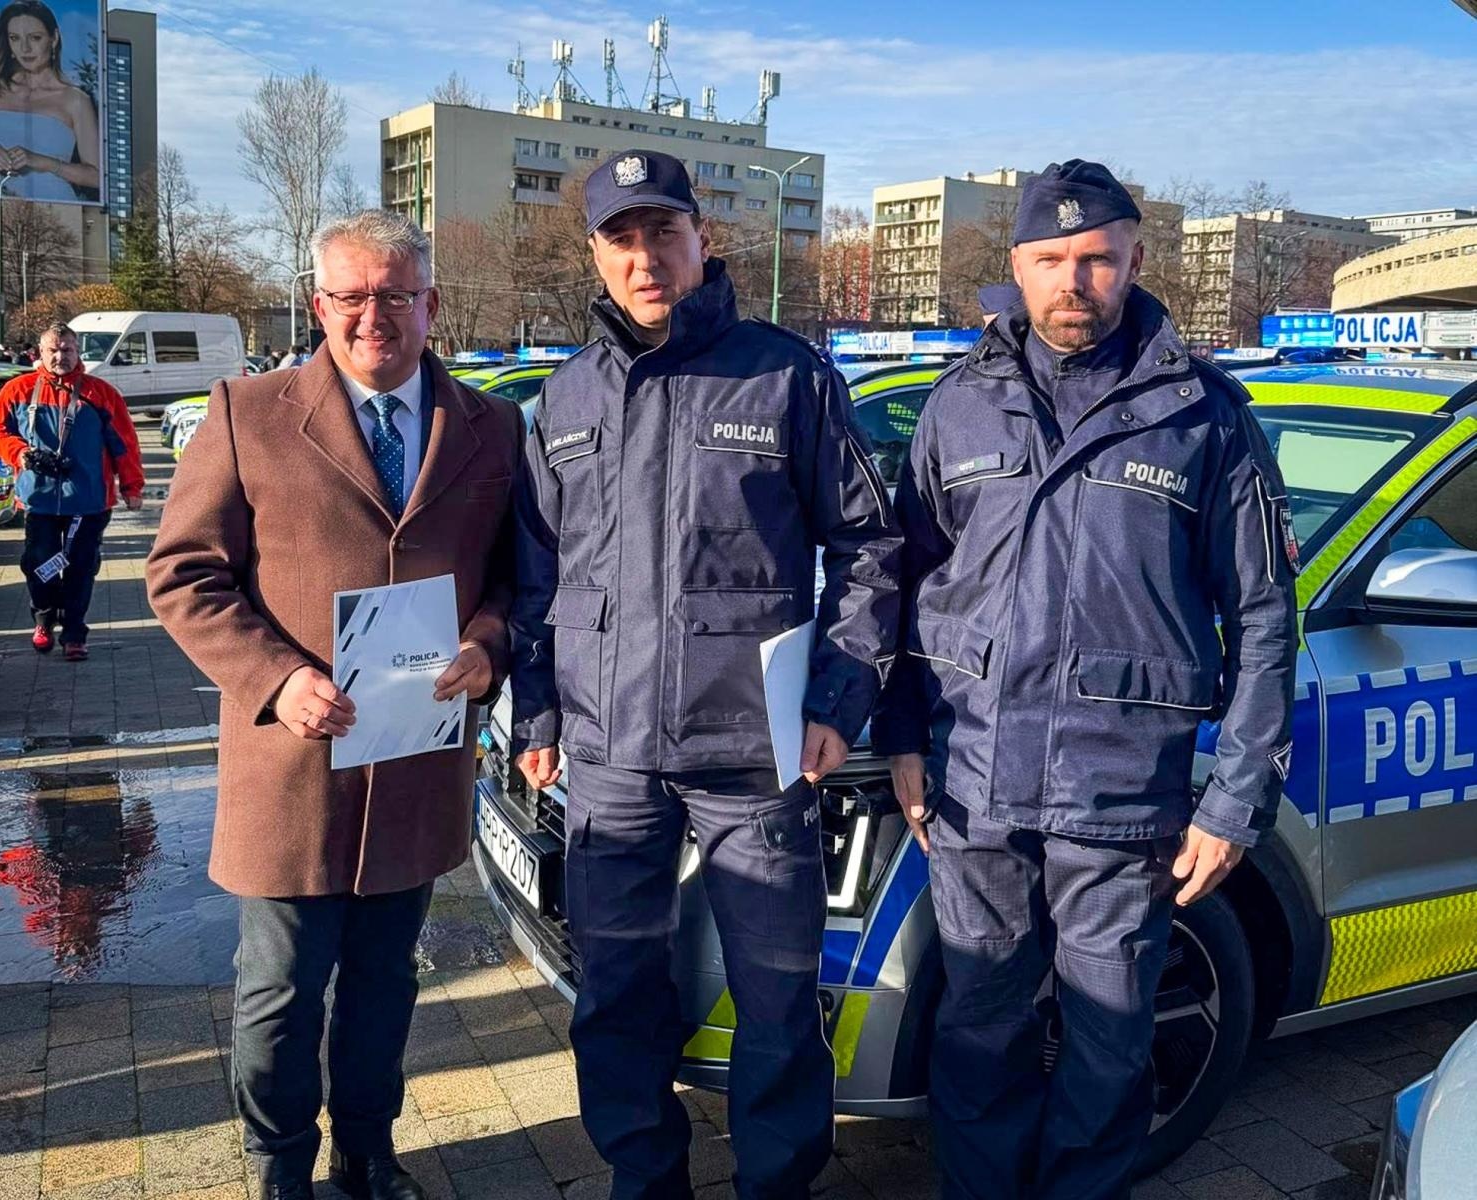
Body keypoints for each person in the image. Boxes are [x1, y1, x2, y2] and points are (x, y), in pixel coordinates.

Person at [872, 160, 1297, 1200]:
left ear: (1135, 261)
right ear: (1016, 266)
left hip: (1121, 795)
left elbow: (1261, 619)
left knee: (1108, 1051)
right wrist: (903, 735)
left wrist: (1234, 805)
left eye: (1097, 258)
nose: (1075, 280)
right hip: (974, 788)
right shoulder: (959, 406)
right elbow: (906, 584)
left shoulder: (1203, 417)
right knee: (979, 1033)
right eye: (1052, 259)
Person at [510, 149, 902, 1200]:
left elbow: (868, 547)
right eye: (622, 239)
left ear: (701, 239)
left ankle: (778, 1183)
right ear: (595, 254)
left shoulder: (787, 375)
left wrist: (838, 698)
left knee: (776, 998)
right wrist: (537, 712)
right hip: (607, 756)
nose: (645, 258)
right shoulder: (566, 396)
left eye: (664, 233)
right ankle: (644, 1179)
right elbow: (536, 573)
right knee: (615, 995)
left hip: (753, 753)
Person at [147, 210, 521, 1200]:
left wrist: (489, 643)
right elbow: (181, 573)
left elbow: (517, 577)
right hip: (293, 767)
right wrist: (276, 679)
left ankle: (366, 1156)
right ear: (318, 305)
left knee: (385, 987)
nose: (373, 317)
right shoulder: (246, 411)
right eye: (350, 296)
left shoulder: (492, 426)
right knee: (278, 994)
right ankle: (280, 1171)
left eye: (394, 295)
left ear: (431, 303)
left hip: (416, 759)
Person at [0, 320, 143, 660]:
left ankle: (74, 633)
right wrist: (20, 453)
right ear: (40, 353)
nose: (61, 357)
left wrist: (132, 486)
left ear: (77, 351)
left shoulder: (101, 393)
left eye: (67, 350)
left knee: (81, 568)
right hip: (39, 499)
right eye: (53, 350)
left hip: (89, 500)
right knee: (38, 563)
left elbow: (125, 444)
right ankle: (43, 619)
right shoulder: (18, 390)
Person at [0, 0, 101, 203]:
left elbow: (96, 177)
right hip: (0, 205)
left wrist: (40, 161)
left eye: (35, 38)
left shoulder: (76, 100)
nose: (25, 48)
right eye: (15, 38)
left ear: (53, 39)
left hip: (58, 207)